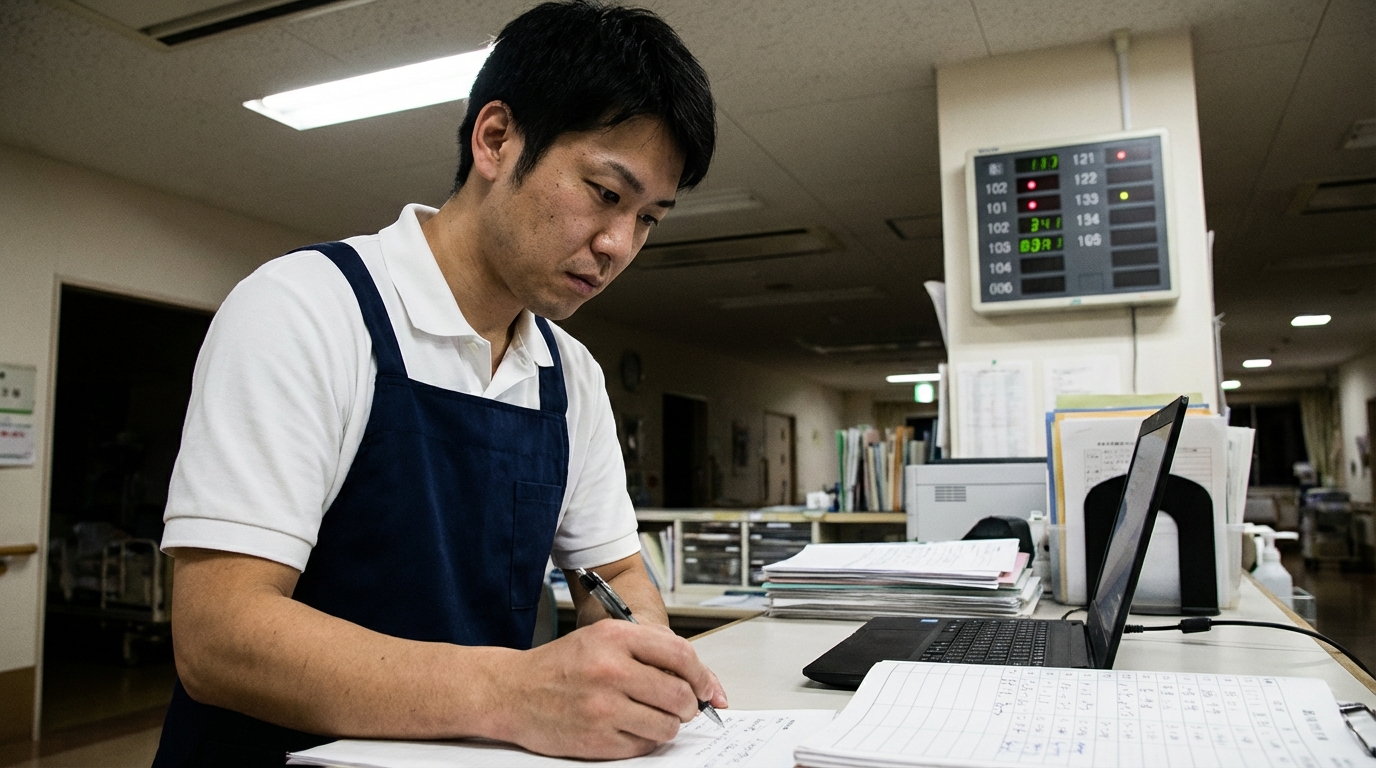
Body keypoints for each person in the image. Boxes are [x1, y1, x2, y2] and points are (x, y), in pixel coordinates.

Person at [151, 2, 722, 765]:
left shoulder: (570, 376)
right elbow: (219, 638)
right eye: (605, 193)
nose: (619, 244)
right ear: (496, 139)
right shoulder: (305, 309)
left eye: (650, 217)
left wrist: (647, 659)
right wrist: (515, 692)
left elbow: (613, 572)